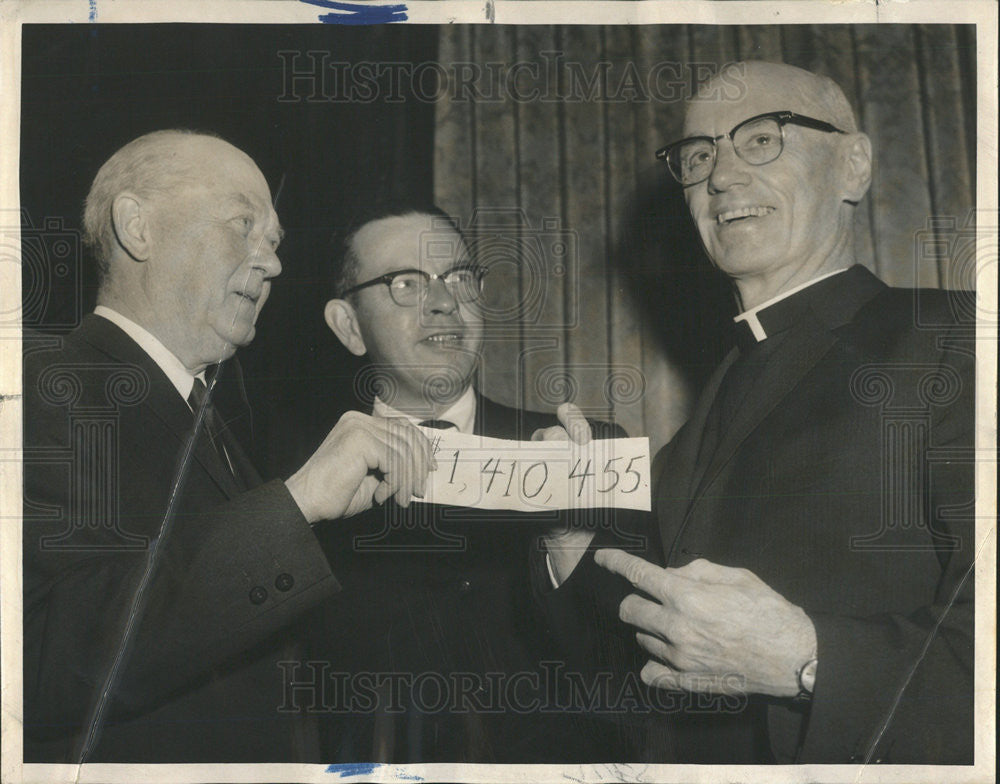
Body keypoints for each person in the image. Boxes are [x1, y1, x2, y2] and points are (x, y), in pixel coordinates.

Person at [539, 61, 975, 764]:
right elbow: (642, 675)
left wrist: (808, 659)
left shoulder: (954, 338)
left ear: (853, 166)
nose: (722, 176)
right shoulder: (694, 431)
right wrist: (569, 536)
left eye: (762, 139)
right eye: (701, 155)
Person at [22, 130, 437, 763]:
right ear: (138, 227)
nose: (271, 263)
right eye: (242, 224)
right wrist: (292, 507)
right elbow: (35, 659)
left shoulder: (213, 424)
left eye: (273, 242)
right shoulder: (34, 386)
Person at [305, 204, 641, 762]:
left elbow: (637, 675)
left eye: (459, 277)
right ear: (348, 326)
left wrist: (569, 533)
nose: (443, 302)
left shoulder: (588, 450)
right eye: (405, 283)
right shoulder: (293, 487)